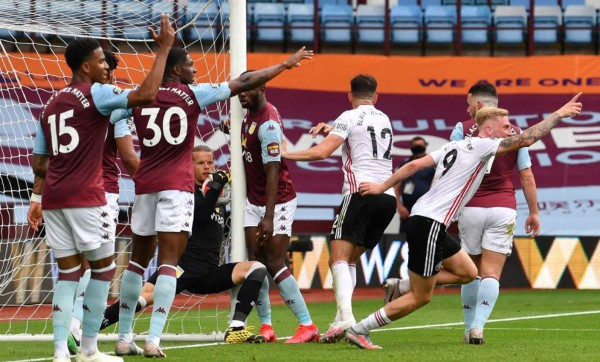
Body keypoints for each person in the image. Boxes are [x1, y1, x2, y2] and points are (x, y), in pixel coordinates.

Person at [113, 46, 314, 357]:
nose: (196, 69)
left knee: (136, 265)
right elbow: (241, 83)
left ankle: (119, 334)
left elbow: (119, 129)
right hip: (175, 190)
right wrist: (287, 63)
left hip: (145, 186)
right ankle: (152, 339)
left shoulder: (139, 96)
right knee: (168, 265)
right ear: (178, 70)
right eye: (191, 64)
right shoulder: (192, 95)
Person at [349, 94, 582, 350]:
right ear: (489, 129)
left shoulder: (453, 146)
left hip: (429, 221)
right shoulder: (485, 146)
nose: (510, 130)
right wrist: (558, 115)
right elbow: (528, 138)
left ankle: (400, 285)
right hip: (429, 223)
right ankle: (360, 329)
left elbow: (414, 165)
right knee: (421, 297)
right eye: (505, 127)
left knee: (470, 273)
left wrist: (382, 185)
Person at [26, 15, 174, 362]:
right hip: (87, 197)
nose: (106, 64)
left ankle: (61, 351)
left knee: (67, 274)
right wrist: (163, 50)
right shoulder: (98, 94)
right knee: (103, 270)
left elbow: (40, 162)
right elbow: (147, 94)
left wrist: (36, 197)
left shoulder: (51, 104)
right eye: (101, 60)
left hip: (54, 199)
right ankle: (90, 349)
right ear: (85, 66)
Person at [99, 146, 268, 344]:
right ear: (190, 165)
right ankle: (88, 328)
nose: (207, 166)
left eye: (210, 162)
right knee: (142, 297)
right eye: (200, 163)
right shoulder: (187, 194)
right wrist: (216, 187)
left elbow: (217, 228)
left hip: (208, 273)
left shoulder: (218, 198)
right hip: (182, 269)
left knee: (256, 269)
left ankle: (236, 327)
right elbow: (201, 216)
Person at [283, 74, 397, 343]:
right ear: (376, 97)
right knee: (351, 260)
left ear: (350, 95)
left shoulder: (347, 117)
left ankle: (346, 318)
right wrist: (333, 129)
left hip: (360, 193)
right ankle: (338, 319)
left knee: (338, 258)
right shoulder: (385, 119)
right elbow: (359, 137)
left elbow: (322, 152)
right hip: (387, 196)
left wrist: (285, 154)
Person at [450, 81, 540, 344]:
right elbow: (526, 176)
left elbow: (449, 167)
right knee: (492, 273)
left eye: (469, 104)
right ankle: (479, 327)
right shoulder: (517, 132)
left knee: (471, 272)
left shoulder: (462, 130)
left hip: (470, 208)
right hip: (503, 208)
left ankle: (468, 331)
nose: (467, 110)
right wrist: (533, 212)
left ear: (478, 104)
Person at [67, 49, 141, 355]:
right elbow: (129, 159)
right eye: (109, 70)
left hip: (70, 190)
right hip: (103, 191)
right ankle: (76, 325)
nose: (112, 76)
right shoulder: (115, 109)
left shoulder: (69, 102)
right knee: (99, 267)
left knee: (75, 266)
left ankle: (66, 337)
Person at [237, 73, 319, 344]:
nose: (241, 94)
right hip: (253, 200)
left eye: (247, 89)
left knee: (274, 262)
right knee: (255, 262)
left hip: (278, 200)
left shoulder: (268, 124)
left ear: (261, 88)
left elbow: (273, 172)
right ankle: (266, 326)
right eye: (240, 89)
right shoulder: (249, 115)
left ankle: (307, 324)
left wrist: (269, 216)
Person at [394, 136, 434, 235]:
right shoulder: (405, 164)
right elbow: (396, 187)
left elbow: (437, 187)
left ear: (425, 146)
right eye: (415, 146)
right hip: (407, 211)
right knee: (405, 237)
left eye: (420, 145)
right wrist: (399, 206)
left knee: (423, 237)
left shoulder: (433, 163)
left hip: (426, 210)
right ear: (411, 147)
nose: (418, 147)